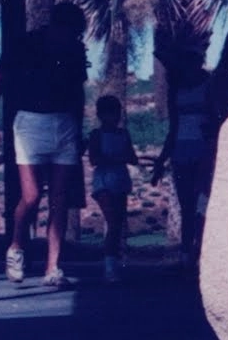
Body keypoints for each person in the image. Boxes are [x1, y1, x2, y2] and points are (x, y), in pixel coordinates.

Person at [0, 1, 90, 288]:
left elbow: (78, 93)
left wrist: (78, 131)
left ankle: (53, 267)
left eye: (76, 34)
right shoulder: (24, 45)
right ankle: (16, 246)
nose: (72, 38)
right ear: (56, 26)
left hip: (65, 124)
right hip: (29, 123)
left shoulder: (75, 50)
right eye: (69, 32)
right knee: (31, 197)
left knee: (59, 199)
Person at [152, 46, 213, 271]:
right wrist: (160, 161)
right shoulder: (176, 90)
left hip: (203, 150)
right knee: (187, 205)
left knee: (202, 205)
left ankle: (202, 251)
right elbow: (173, 127)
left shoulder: (209, 84)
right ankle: (187, 253)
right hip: (180, 151)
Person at [87, 94, 137, 283]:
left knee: (117, 223)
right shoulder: (96, 135)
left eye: (115, 113)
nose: (113, 118)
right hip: (104, 181)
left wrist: (122, 157)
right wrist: (118, 158)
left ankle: (113, 261)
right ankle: (109, 268)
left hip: (120, 179)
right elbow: (94, 159)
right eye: (108, 114)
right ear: (100, 115)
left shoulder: (123, 134)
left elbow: (132, 156)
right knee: (112, 221)